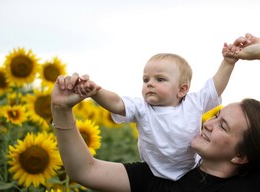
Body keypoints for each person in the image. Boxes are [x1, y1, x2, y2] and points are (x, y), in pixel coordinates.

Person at [51, 33, 260, 192]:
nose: (208, 123)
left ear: (240, 155)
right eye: (216, 115)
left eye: (222, 126)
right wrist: (61, 109)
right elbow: (84, 170)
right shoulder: (163, 176)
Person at [71, 47, 239, 180]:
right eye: (146, 80)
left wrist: (228, 62)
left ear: (182, 89)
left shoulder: (193, 103)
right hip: (153, 173)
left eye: (160, 79)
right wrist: (95, 92)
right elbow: (116, 103)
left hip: (191, 171)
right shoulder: (142, 107)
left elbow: (215, 87)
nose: (150, 84)